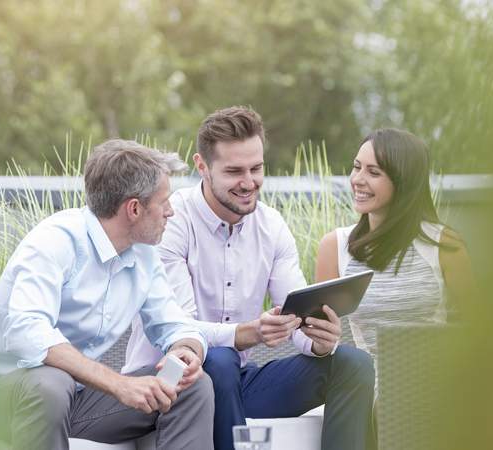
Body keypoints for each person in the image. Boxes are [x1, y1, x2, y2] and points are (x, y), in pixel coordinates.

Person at [123, 106, 376, 450]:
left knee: (352, 362)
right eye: (234, 171)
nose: (248, 182)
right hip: (168, 382)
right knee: (221, 358)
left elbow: (296, 316)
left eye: (256, 168)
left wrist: (317, 340)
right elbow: (179, 329)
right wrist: (246, 334)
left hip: (235, 384)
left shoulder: (272, 227)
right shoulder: (172, 221)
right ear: (202, 167)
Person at [0, 139, 214, 450]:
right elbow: (28, 332)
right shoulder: (55, 241)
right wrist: (118, 384)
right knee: (51, 382)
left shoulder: (145, 256)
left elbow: (174, 324)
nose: (171, 212)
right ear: (134, 208)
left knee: (192, 387)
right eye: (164, 202)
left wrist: (186, 349)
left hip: (70, 401)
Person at [315, 128, 475, 357]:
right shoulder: (334, 246)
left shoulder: (444, 245)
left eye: (373, 172)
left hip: (430, 385)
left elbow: (477, 329)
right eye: (357, 167)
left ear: (403, 181)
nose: (358, 180)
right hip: (363, 388)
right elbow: (324, 341)